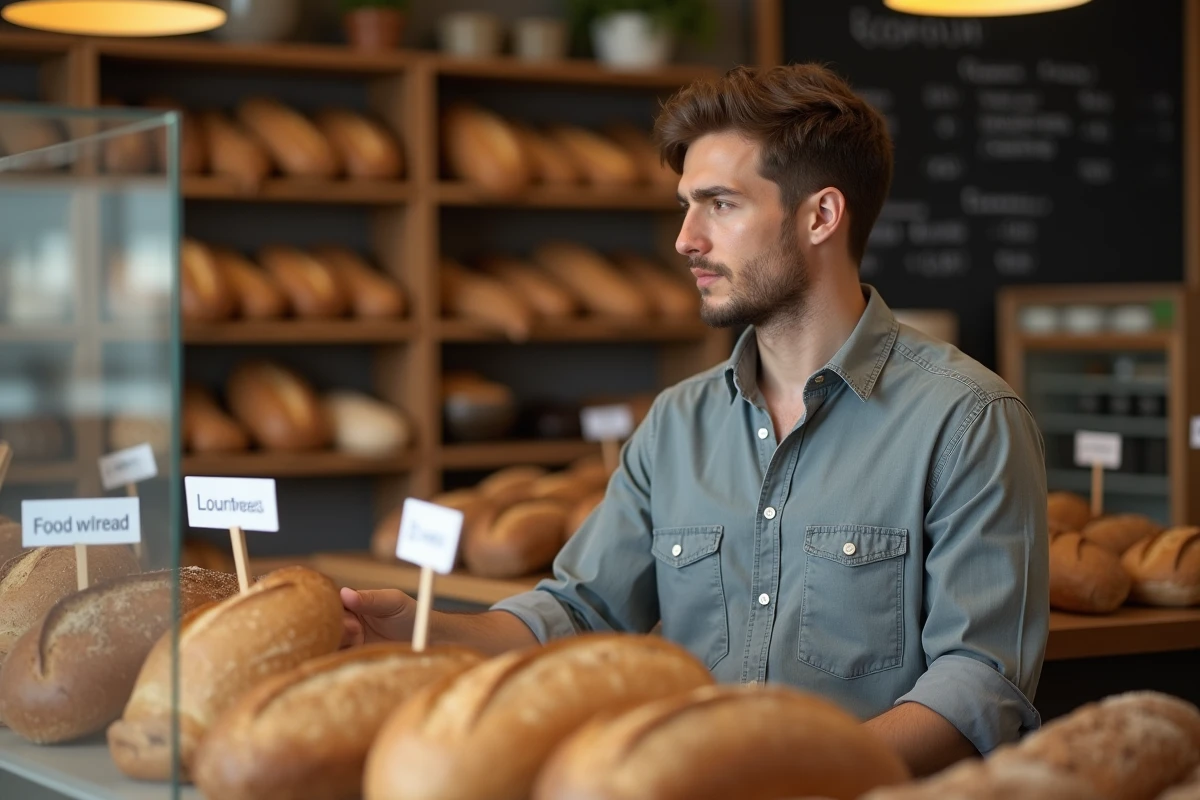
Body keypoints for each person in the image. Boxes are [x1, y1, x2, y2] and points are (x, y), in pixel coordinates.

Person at [340, 63, 1049, 778]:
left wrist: (781, 779)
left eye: (720, 205)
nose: (685, 239)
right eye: (687, 205)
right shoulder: (676, 423)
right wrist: (422, 632)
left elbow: (977, 687)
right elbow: (580, 613)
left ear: (821, 216)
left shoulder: (969, 419)